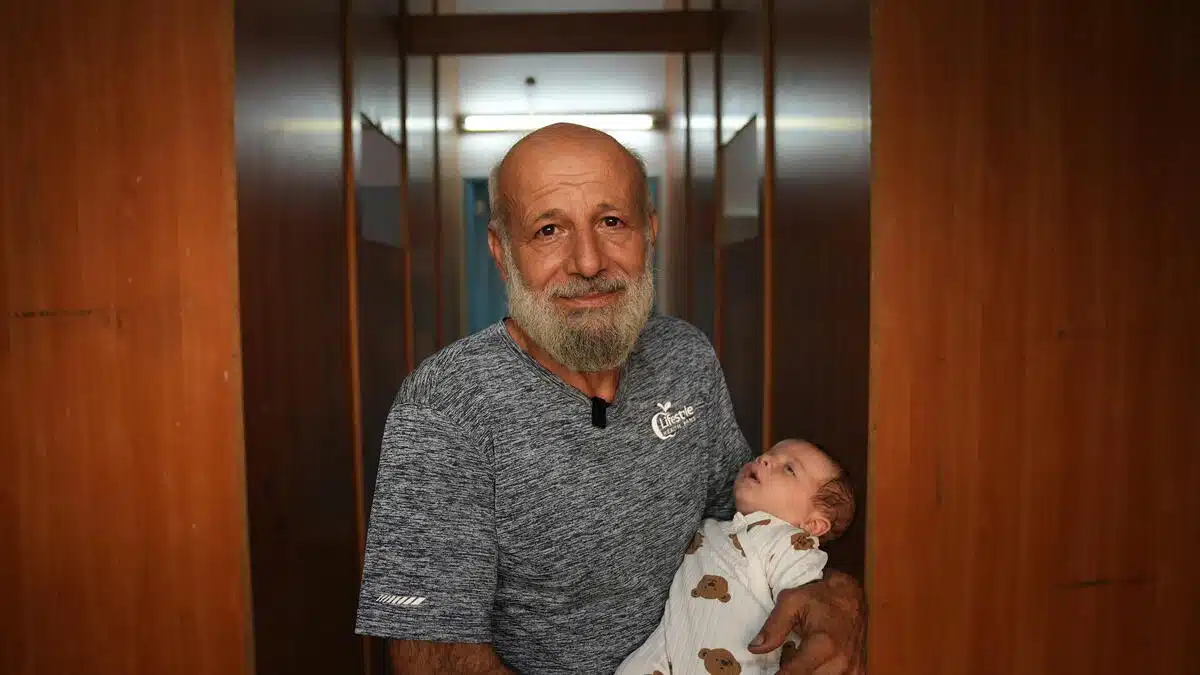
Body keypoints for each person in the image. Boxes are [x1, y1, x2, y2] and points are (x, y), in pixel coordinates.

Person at [354, 123, 864, 674]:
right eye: (549, 230)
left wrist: (839, 593)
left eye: (611, 222)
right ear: (503, 253)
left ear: (649, 231)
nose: (590, 263)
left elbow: (747, 517)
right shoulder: (445, 405)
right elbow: (432, 653)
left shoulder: (685, 356)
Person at [615, 439, 855, 675]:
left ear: (813, 524)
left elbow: (808, 600)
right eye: (769, 453)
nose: (766, 459)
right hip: (671, 650)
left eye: (789, 469)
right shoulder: (710, 528)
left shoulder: (789, 543)